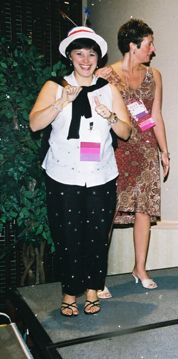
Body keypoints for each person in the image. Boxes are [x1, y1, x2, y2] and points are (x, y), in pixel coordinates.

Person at [29, 26, 131, 316]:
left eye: (91, 53)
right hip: (63, 173)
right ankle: (69, 293)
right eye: (79, 53)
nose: (85, 59)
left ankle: (91, 290)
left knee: (97, 236)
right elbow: (35, 124)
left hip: (100, 174)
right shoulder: (55, 85)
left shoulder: (109, 89)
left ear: (98, 58)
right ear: (70, 57)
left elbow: (126, 131)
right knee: (67, 236)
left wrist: (109, 116)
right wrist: (62, 102)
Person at [96, 19, 169, 296]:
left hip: (146, 150)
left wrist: (164, 150)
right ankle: (97, 275)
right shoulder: (105, 75)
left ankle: (140, 267)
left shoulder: (155, 76)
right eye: (149, 44)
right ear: (133, 45)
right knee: (107, 211)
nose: (153, 49)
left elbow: (155, 116)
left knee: (144, 210)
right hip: (116, 151)